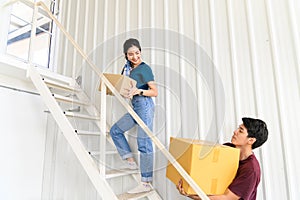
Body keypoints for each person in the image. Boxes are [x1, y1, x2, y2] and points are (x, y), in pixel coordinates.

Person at [177, 117, 269, 200]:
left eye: (241, 131)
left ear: (251, 140)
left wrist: (192, 195)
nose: (235, 131)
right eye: (238, 128)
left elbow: (227, 198)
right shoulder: (227, 149)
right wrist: (189, 188)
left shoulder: (251, 169)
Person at [109, 38, 158, 194]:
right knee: (115, 131)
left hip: (145, 105)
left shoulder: (145, 69)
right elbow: (124, 86)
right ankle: (130, 162)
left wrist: (139, 91)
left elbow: (154, 92)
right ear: (126, 55)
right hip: (135, 107)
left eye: (137, 53)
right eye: (131, 54)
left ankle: (146, 182)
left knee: (144, 143)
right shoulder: (127, 69)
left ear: (140, 52)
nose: (135, 57)